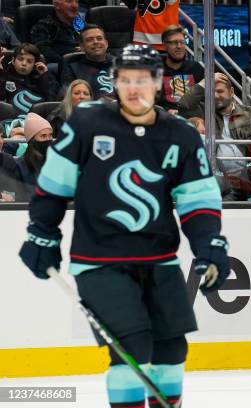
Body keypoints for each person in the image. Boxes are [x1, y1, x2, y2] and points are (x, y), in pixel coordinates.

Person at [18, 44, 229, 408]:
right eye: (126, 80)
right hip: (99, 261)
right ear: (115, 83)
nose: (134, 89)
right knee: (130, 349)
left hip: (160, 259)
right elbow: (54, 185)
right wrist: (42, 231)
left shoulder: (180, 134)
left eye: (143, 80)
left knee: (171, 350)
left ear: (158, 82)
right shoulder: (87, 124)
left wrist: (210, 244)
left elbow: (197, 199)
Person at [177, 72, 251, 176]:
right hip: (214, 174)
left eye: (220, 91)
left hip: (246, 172)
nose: (215, 96)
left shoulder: (249, 113)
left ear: (231, 92)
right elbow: (184, 105)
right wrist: (205, 82)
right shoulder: (202, 111)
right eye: (211, 91)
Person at [0, 112, 52, 202]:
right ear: (32, 140)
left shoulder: (60, 163)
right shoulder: (19, 165)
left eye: (50, 135)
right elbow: (16, 195)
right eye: (43, 136)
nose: (48, 139)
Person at [0, 43, 58, 115]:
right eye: (20, 59)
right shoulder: (5, 76)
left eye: (29, 61)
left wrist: (44, 76)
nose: (24, 63)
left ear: (35, 64)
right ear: (13, 60)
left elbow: (51, 103)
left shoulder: (43, 79)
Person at [60, 24, 114, 100]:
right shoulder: (72, 66)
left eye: (99, 38)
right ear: (82, 47)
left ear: (106, 43)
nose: (95, 42)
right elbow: (67, 97)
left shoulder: (120, 65)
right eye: (89, 40)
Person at [158, 25, 204, 112]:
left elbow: (203, 100)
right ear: (164, 45)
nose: (179, 46)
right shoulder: (156, 70)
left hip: (193, 116)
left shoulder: (195, 68)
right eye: (174, 42)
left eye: (182, 42)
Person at [30, 0, 82, 65]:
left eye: (77, 1)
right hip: (62, 65)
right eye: (69, 1)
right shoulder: (45, 25)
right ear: (57, 5)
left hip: (85, 62)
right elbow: (44, 51)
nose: (75, 5)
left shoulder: (79, 22)